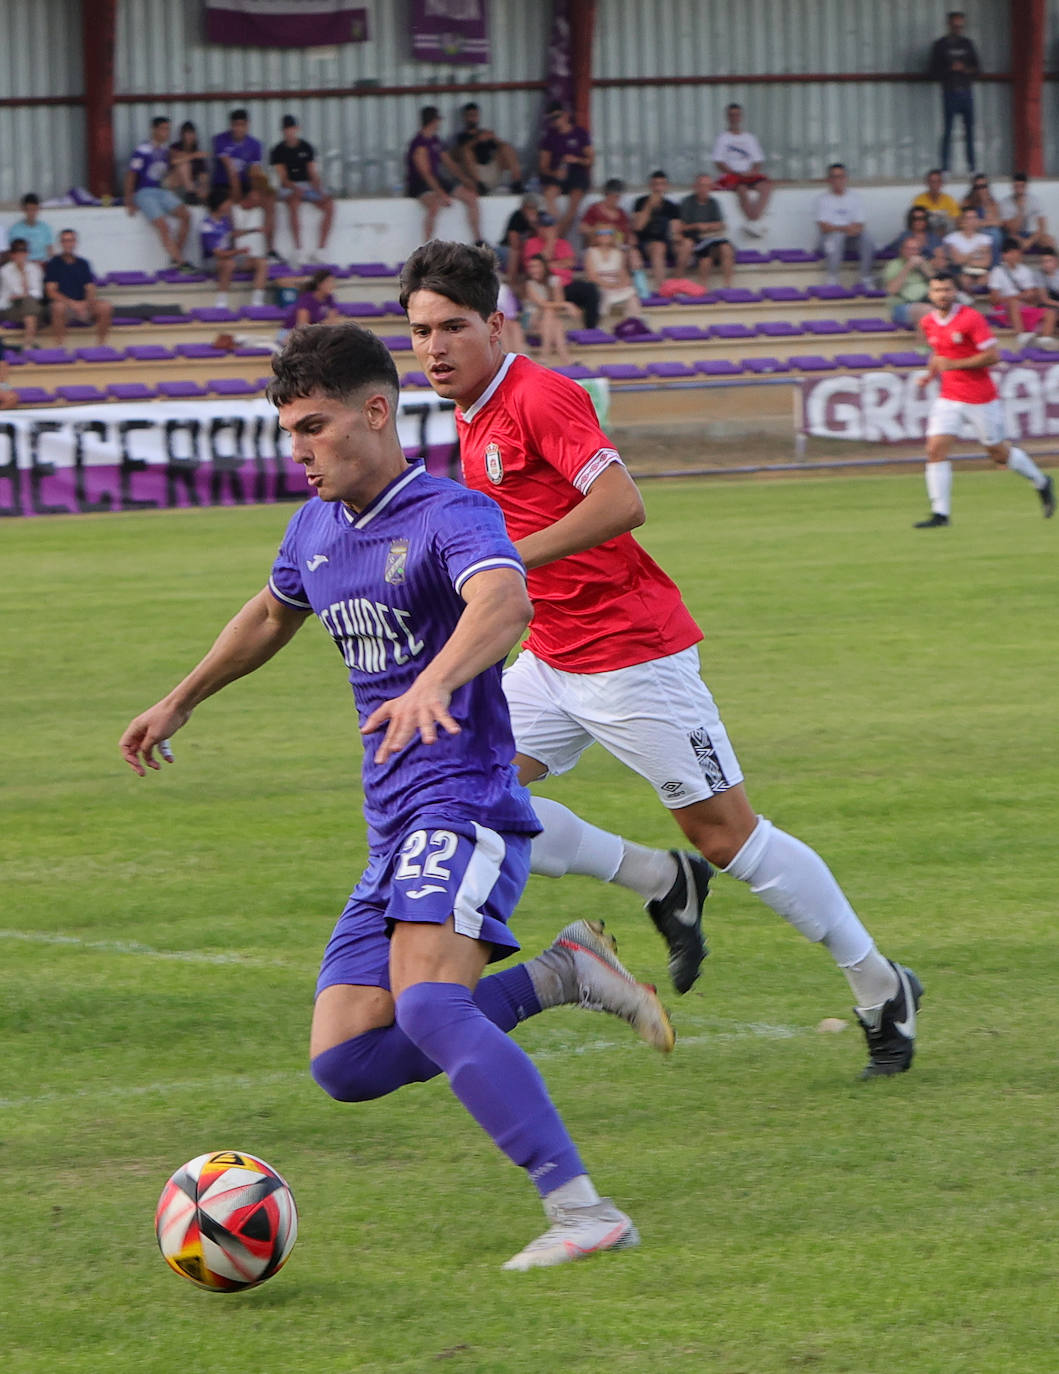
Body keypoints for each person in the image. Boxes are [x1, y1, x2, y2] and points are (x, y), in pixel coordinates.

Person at [119, 321, 674, 1272]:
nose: (298, 449)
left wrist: (434, 681)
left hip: (465, 802)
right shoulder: (315, 528)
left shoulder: (451, 515)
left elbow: (504, 604)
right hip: (393, 823)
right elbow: (267, 613)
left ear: (376, 413)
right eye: (288, 430)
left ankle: (582, 1210)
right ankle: (562, 974)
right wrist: (179, 700)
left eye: (313, 426)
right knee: (345, 1062)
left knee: (424, 1009)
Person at [401, 240, 924, 1080]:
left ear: (495, 324)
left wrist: (508, 562)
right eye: (420, 330)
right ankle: (657, 880)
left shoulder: (539, 395)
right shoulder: (472, 412)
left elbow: (621, 501)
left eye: (451, 327)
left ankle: (879, 984)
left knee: (728, 837)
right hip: (551, 657)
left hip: (629, 655)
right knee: (468, 791)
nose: (432, 347)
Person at [914, 270, 1055, 528]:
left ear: (954, 292)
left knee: (998, 454)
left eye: (946, 289)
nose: (942, 294)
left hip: (980, 397)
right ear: (930, 293)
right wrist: (930, 374)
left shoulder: (971, 319)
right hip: (949, 397)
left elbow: (993, 356)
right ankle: (940, 514)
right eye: (937, 290)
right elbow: (939, 354)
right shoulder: (928, 322)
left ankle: (1041, 481)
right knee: (934, 449)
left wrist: (953, 364)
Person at [124, 116, 194, 271]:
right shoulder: (142, 150)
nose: (166, 132)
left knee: (186, 215)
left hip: (160, 190)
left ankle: (175, 256)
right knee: (163, 226)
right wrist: (129, 199)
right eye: (163, 129)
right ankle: (181, 263)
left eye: (168, 129)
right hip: (144, 192)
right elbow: (131, 174)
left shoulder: (165, 151)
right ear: (154, 130)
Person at [405, 106, 481, 243]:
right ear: (433, 121)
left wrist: (465, 180)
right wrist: (440, 193)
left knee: (471, 197)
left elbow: (449, 163)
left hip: (436, 179)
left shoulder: (435, 140)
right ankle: (425, 247)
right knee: (434, 206)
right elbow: (425, 173)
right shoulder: (419, 144)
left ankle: (478, 239)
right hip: (420, 184)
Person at [270, 114, 335, 267]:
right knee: (293, 202)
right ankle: (298, 249)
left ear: (297, 129)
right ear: (283, 131)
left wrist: (318, 189)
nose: (289, 132)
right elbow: (283, 178)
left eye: (292, 129)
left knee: (329, 204)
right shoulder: (278, 150)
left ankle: (321, 249)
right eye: (286, 129)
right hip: (288, 187)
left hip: (306, 185)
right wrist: (295, 188)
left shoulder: (306, 147)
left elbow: (312, 173)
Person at [212, 108, 276, 257]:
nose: (238, 128)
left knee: (269, 200)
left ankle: (270, 249)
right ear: (231, 125)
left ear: (247, 125)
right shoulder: (220, 140)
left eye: (242, 125)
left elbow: (255, 171)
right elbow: (231, 171)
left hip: (244, 184)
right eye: (235, 125)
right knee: (227, 206)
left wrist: (256, 190)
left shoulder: (255, 144)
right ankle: (232, 249)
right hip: (223, 185)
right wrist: (238, 196)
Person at [521, 213, 600, 329]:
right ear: (539, 228)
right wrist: (550, 242)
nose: (548, 229)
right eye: (545, 227)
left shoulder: (563, 243)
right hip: (546, 287)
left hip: (565, 285)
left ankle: (590, 329)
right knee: (553, 286)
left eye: (550, 226)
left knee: (590, 289)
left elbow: (570, 263)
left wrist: (550, 264)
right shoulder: (531, 243)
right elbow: (540, 265)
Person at [929, 11, 980, 174]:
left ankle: (972, 166)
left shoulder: (968, 44)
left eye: (961, 26)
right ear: (949, 25)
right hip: (949, 92)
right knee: (948, 131)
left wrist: (964, 69)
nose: (958, 28)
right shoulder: (940, 45)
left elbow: (978, 69)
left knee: (970, 131)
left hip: (966, 92)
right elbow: (933, 71)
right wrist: (949, 69)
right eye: (955, 25)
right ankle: (945, 167)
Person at [200, 187, 267, 309]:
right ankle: (221, 302)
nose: (230, 204)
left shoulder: (225, 220)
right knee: (228, 264)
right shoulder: (207, 226)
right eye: (227, 202)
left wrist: (254, 230)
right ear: (220, 204)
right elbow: (219, 254)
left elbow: (233, 234)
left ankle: (257, 302)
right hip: (212, 262)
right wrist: (239, 251)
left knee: (261, 262)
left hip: (231, 256)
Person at [43, 229, 113, 345]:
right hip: (65, 306)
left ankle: (101, 346)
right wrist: (72, 304)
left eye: (70, 240)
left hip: (83, 304)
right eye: (65, 241)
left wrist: (85, 303)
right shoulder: (53, 264)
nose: (68, 244)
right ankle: (60, 347)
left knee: (105, 307)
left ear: (75, 242)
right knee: (58, 307)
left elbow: (90, 288)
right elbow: (51, 291)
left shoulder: (83, 263)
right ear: (61, 243)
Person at [711, 102, 771, 235]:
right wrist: (734, 172)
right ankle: (754, 222)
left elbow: (758, 160)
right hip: (732, 176)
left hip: (749, 175)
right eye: (731, 115)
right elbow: (718, 162)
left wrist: (752, 172)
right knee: (742, 190)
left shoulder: (750, 138)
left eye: (737, 115)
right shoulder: (723, 138)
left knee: (766, 187)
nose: (734, 118)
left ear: (741, 117)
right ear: (727, 117)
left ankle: (753, 221)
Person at [987, 237, 1059, 348]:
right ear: (1004, 255)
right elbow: (994, 300)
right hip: (1004, 309)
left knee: (1051, 313)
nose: (1014, 255)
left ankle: (1044, 341)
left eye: (1016, 252)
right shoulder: (997, 272)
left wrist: (1029, 296)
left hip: (1024, 307)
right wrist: (1018, 296)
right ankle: (1021, 337)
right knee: (1013, 302)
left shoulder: (1026, 271)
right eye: (1010, 253)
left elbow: (1033, 298)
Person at [814, 163, 876, 289]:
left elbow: (860, 225)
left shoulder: (855, 198)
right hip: (828, 240)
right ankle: (832, 277)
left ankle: (865, 276)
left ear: (846, 178)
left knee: (867, 238)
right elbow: (824, 227)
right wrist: (844, 229)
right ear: (829, 180)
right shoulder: (822, 199)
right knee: (836, 237)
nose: (838, 180)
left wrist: (847, 229)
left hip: (850, 240)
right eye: (834, 177)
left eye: (841, 176)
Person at [538, 103, 593, 239]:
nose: (556, 120)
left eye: (558, 116)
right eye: (552, 118)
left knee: (573, 205)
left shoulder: (580, 133)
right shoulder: (550, 137)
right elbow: (543, 166)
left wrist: (576, 160)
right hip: (559, 174)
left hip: (577, 174)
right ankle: (556, 233)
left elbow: (590, 160)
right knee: (549, 194)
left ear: (566, 115)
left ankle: (557, 238)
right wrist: (554, 173)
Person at [675, 174, 734, 287]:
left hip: (711, 238)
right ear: (695, 186)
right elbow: (681, 227)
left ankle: (728, 286)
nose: (704, 189)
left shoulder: (713, 203)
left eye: (707, 186)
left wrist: (707, 226)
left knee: (726, 249)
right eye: (702, 186)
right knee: (700, 255)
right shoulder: (687, 202)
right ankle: (678, 283)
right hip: (694, 239)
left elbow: (721, 224)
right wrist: (697, 226)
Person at [453, 102, 523, 195]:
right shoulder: (461, 136)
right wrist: (477, 139)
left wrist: (494, 138)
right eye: (470, 115)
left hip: (492, 170)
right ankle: (480, 186)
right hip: (476, 174)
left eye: (475, 115)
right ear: (465, 117)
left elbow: (504, 147)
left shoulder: (485, 133)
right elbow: (459, 153)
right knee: (466, 151)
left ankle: (517, 182)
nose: (473, 118)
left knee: (506, 147)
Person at [522, 253, 577, 365]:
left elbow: (558, 302)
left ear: (544, 267)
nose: (533, 270)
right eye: (531, 267)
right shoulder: (529, 284)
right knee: (551, 314)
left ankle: (547, 356)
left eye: (536, 266)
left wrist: (563, 304)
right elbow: (542, 304)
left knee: (554, 320)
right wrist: (568, 305)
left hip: (547, 320)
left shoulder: (554, 280)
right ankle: (566, 358)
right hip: (532, 319)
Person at [632, 170, 680, 292]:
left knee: (685, 246)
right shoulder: (641, 202)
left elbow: (675, 230)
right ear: (650, 186)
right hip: (645, 244)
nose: (658, 188)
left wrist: (677, 240)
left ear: (666, 186)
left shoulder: (671, 206)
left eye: (661, 184)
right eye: (655, 184)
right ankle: (662, 288)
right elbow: (637, 227)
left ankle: (678, 283)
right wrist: (649, 207)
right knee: (658, 247)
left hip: (666, 242)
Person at [884, 234, 944, 330]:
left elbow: (940, 286)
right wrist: (907, 267)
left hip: (927, 301)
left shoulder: (925, 264)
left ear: (919, 251)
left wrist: (925, 269)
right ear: (902, 250)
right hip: (901, 306)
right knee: (929, 312)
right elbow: (891, 290)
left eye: (915, 249)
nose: (912, 252)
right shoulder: (893, 265)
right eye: (908, 249)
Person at [583, 226, 637, 322]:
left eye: (608, 234)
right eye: (601, 234)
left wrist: (623, 283)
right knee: (603, 296)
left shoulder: (618, 253)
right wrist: (609, 285)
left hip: (615, 284)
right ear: (596, 237)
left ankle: (633, 323)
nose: (605, 236)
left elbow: (622, 272)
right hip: (598, 285)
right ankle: (599, 325)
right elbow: (592, 276)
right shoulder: (591, 252)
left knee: (632, 295)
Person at [999, 173, 1054, 257]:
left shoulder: (1035, 200)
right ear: (1013, 187)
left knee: (1049, 241)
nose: (1019, 189)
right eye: (1017, 186)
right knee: (1012, 244)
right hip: (1013, 236)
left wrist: (1030, 240)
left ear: (1026, 187)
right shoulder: (1005, 203)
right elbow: (1010, 230)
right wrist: (1020, 208)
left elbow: (1042, 226)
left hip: (1031, 234)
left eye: (1022, 186)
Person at [0, 238, 44, 343]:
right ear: (12, 255)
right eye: (16, 251)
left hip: (30, 307)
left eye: (23, 251)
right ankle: (29, 343)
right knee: (29, 304)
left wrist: (24, 274)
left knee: (29, 303)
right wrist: (22, 273)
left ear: (27, 253)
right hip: (10, 308)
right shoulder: (5, 271)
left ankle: (28, 342)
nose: (20, 254)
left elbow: (38, 293)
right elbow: (16, 293)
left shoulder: (35, 269)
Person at [281, 268, 342, 339]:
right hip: (291, 333)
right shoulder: (306, 299)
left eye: (333, 282)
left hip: (315, 333)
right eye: (329, 282)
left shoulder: (330, 298)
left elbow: (333, 320)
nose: (332, 285)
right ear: (319, 284)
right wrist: (323, 324)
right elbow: (302, 326)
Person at [960, 174, 1003, 262]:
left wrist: (985, 204)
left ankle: (994, 265)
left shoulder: (992, 203)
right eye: (978, 187)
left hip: (987, 232)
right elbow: (963, 222)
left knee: (995, 234)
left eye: (984, 186)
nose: (981, 190)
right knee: (994, 234)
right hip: (972, 232)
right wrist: (984, 222)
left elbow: (998, 222)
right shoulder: (967, 202)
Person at [942, 207, 992, 279]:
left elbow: (986, 263)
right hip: (959, 272)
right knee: (965, 279)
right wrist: (976, 251)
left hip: (980, 271)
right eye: (969, 218)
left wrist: (965, 261)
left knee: (986, 278)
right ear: (962, 220)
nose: (972, 221)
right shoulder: (951, 238)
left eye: (974, 217)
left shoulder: (985, 239)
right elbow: (958, 261)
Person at [580, 178, 633, 245]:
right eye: (612, 196)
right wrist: (602, 230)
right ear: (606, 194)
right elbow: (582, 228)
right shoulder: (594, 209)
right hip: (597, 246)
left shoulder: (621, 213)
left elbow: (627, 233)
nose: (615, 199)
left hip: (618, 247)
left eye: (617, 196)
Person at [910, 169, 962, 237]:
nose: (935, 184)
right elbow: (915, 221)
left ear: (942, 183)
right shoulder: (919, 200)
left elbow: (957, 220)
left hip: (946, 235)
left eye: (938, 181)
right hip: (925, 235)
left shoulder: (949, 199)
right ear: (927, 183)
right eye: (932, 181)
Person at [6, 193, 55, 263]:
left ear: (39, 209)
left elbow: (50, 251)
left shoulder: (46, 228)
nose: (31, 213)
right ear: (23, 209)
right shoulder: (15, 230)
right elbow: (12, 254)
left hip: (42, 264)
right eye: (28, 209)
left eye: (34, 209)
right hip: (23, 265)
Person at [170, 120, 210, 203]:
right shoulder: (175, 147)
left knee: (205, 186)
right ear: (182, 134)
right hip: (174, 181)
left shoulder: (196, 151)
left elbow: (202, 173)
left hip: (192, 183)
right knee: (184, 164)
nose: (190, 136)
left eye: (192, 133)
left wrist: (203, 186)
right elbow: (174, 161)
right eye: (187, 133)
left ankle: (196, 197)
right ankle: (190, 192)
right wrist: (193, 156)